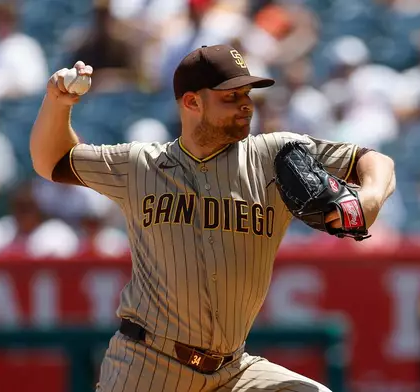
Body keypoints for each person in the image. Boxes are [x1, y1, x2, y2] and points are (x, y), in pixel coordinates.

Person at [29, 44, 396, 392]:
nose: (246, 106)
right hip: (148, 363)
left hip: (233, 370)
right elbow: (53, 161)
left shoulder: (274, 155)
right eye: (230, 97)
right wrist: (58, 102)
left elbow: (373, 160)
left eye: (248, 95)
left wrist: (370, 197)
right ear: (192, 102)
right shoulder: (140, 165)